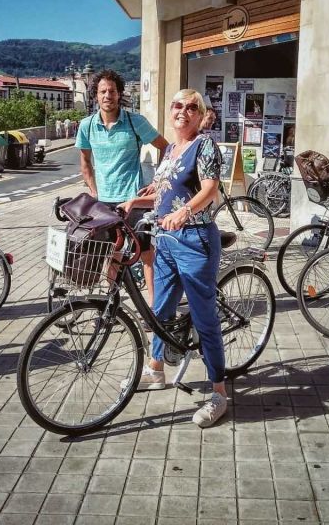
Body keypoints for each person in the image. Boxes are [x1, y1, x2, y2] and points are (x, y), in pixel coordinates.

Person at [120, 89, 228, 428]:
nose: (183, 111)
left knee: (204, 318)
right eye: (178, 105)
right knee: (161, 311)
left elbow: (209, 189)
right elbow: (163, 190)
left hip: (195, 240)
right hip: (164, 239)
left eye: (191, 107)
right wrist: (131, 203)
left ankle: (219, 394)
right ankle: (155, 371)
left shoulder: (204, 145)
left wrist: (184, 212)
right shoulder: (168, 149)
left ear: (201, 115)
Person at [77, 69, 168, 301]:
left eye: (112, 91)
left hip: (134, 200)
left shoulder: (134, 121)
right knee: (112, 253)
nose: (107, 95)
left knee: (147, 254)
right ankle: (112, 305)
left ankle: (154, 308)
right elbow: (86, 164)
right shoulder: (87, 126)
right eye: (102, 91)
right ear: (95, 96)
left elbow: (167, 148)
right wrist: (95, 193)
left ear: (119, 95)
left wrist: (158, 181)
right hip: (105, 204)